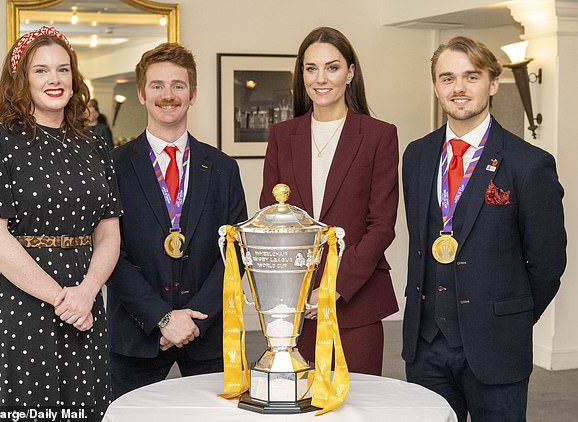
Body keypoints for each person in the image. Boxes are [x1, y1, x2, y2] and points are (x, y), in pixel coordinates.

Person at [401, 36, 567, 421]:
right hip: (425, 347)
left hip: (497, 347)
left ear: (492, 83)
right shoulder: (416, 155)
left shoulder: (529, 164)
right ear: (436, 86)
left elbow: (547, 263)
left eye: (471, 76)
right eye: (447, 78)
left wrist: (509, 318)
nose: (458, 88)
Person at [0, 26, 122, 420]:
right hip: (22, 302)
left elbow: (109, 232)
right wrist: (62, 299)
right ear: (21, 80)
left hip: (85, 300)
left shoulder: (96, 143)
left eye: (63, 70)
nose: (55, 80)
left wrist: (86, 292)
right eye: (41, 70)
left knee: (89, 407)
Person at [106, 42, 247, 398]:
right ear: (141, 93)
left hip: (207, 332)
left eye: (178, 85)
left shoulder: (223, 168)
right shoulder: (112, 166)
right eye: (157, 85)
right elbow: (108, 251)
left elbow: (236, 252)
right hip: (136, 332)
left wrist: (194, 316)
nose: (168, 95)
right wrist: (163, 318)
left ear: (193, 94)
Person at [259, 27, 399, 375]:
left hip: (356, 300)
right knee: (301, 402)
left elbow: (381, 226)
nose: (321, 79)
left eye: (332, 68)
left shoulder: (379, 135)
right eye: (311, 68)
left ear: (350, 73)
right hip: (295, 306)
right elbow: (270, 218)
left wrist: (334, 286)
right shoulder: (282, 135)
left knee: (358, 405)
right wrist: (296, 289)